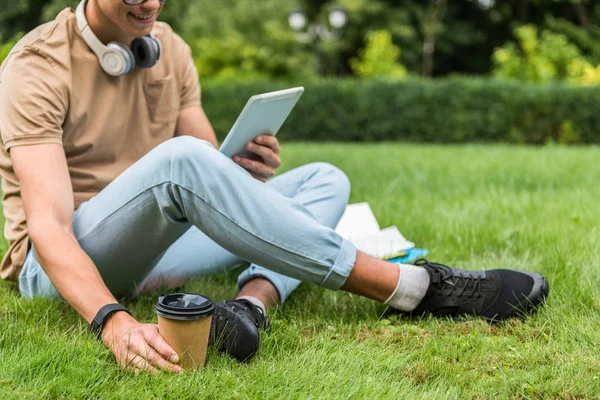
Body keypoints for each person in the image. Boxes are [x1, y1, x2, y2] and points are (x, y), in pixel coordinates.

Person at [0, 0, 549, 374]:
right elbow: (48, 224)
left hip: (160, 247)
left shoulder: (170, 49)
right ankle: (411, 287)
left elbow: (207, 168)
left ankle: (247, 309)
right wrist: (111, 322)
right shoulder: (38, 64)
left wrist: (242, 170)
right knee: (180, 164)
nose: (149, 3)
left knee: (323, 179)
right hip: (58, 265)